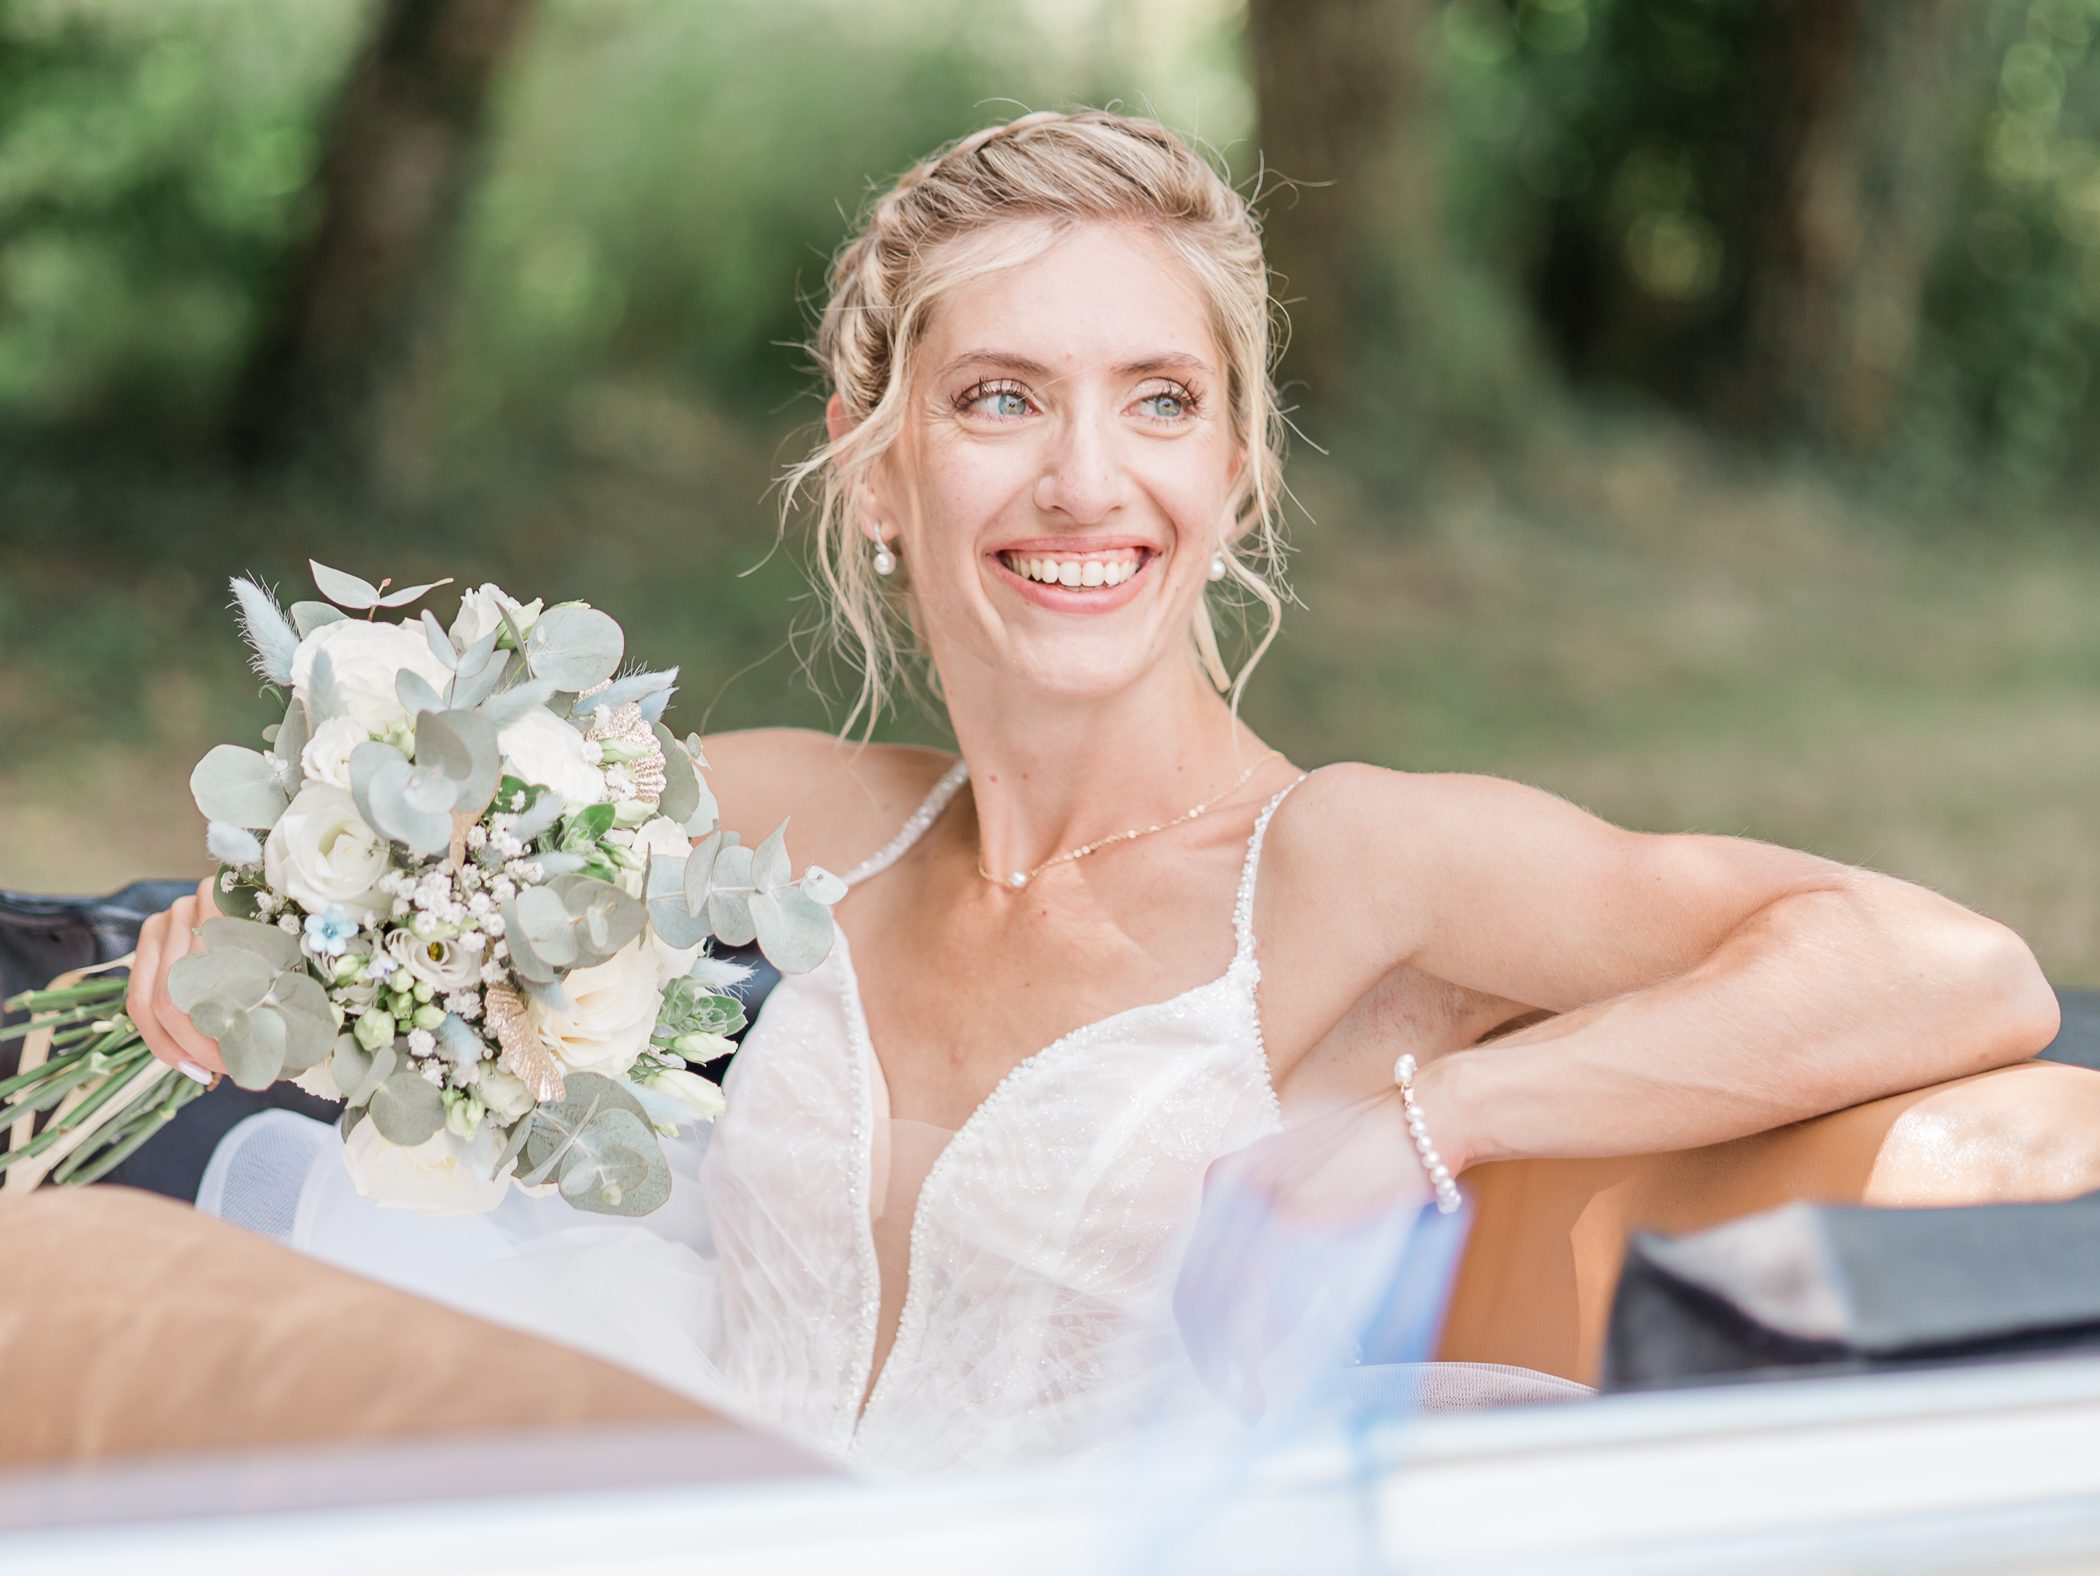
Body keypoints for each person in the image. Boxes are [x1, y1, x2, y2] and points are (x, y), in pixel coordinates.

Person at [124, 110, 2061, 1475]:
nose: (1082, 480)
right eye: (998, 399)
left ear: (1237, 470)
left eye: (1158, 400)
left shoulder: (1345, 866)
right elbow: (394, 896)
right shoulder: (802, 815)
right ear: (875, 468)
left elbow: (1952, 969)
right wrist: (262, 932)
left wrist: (1437, 1116)